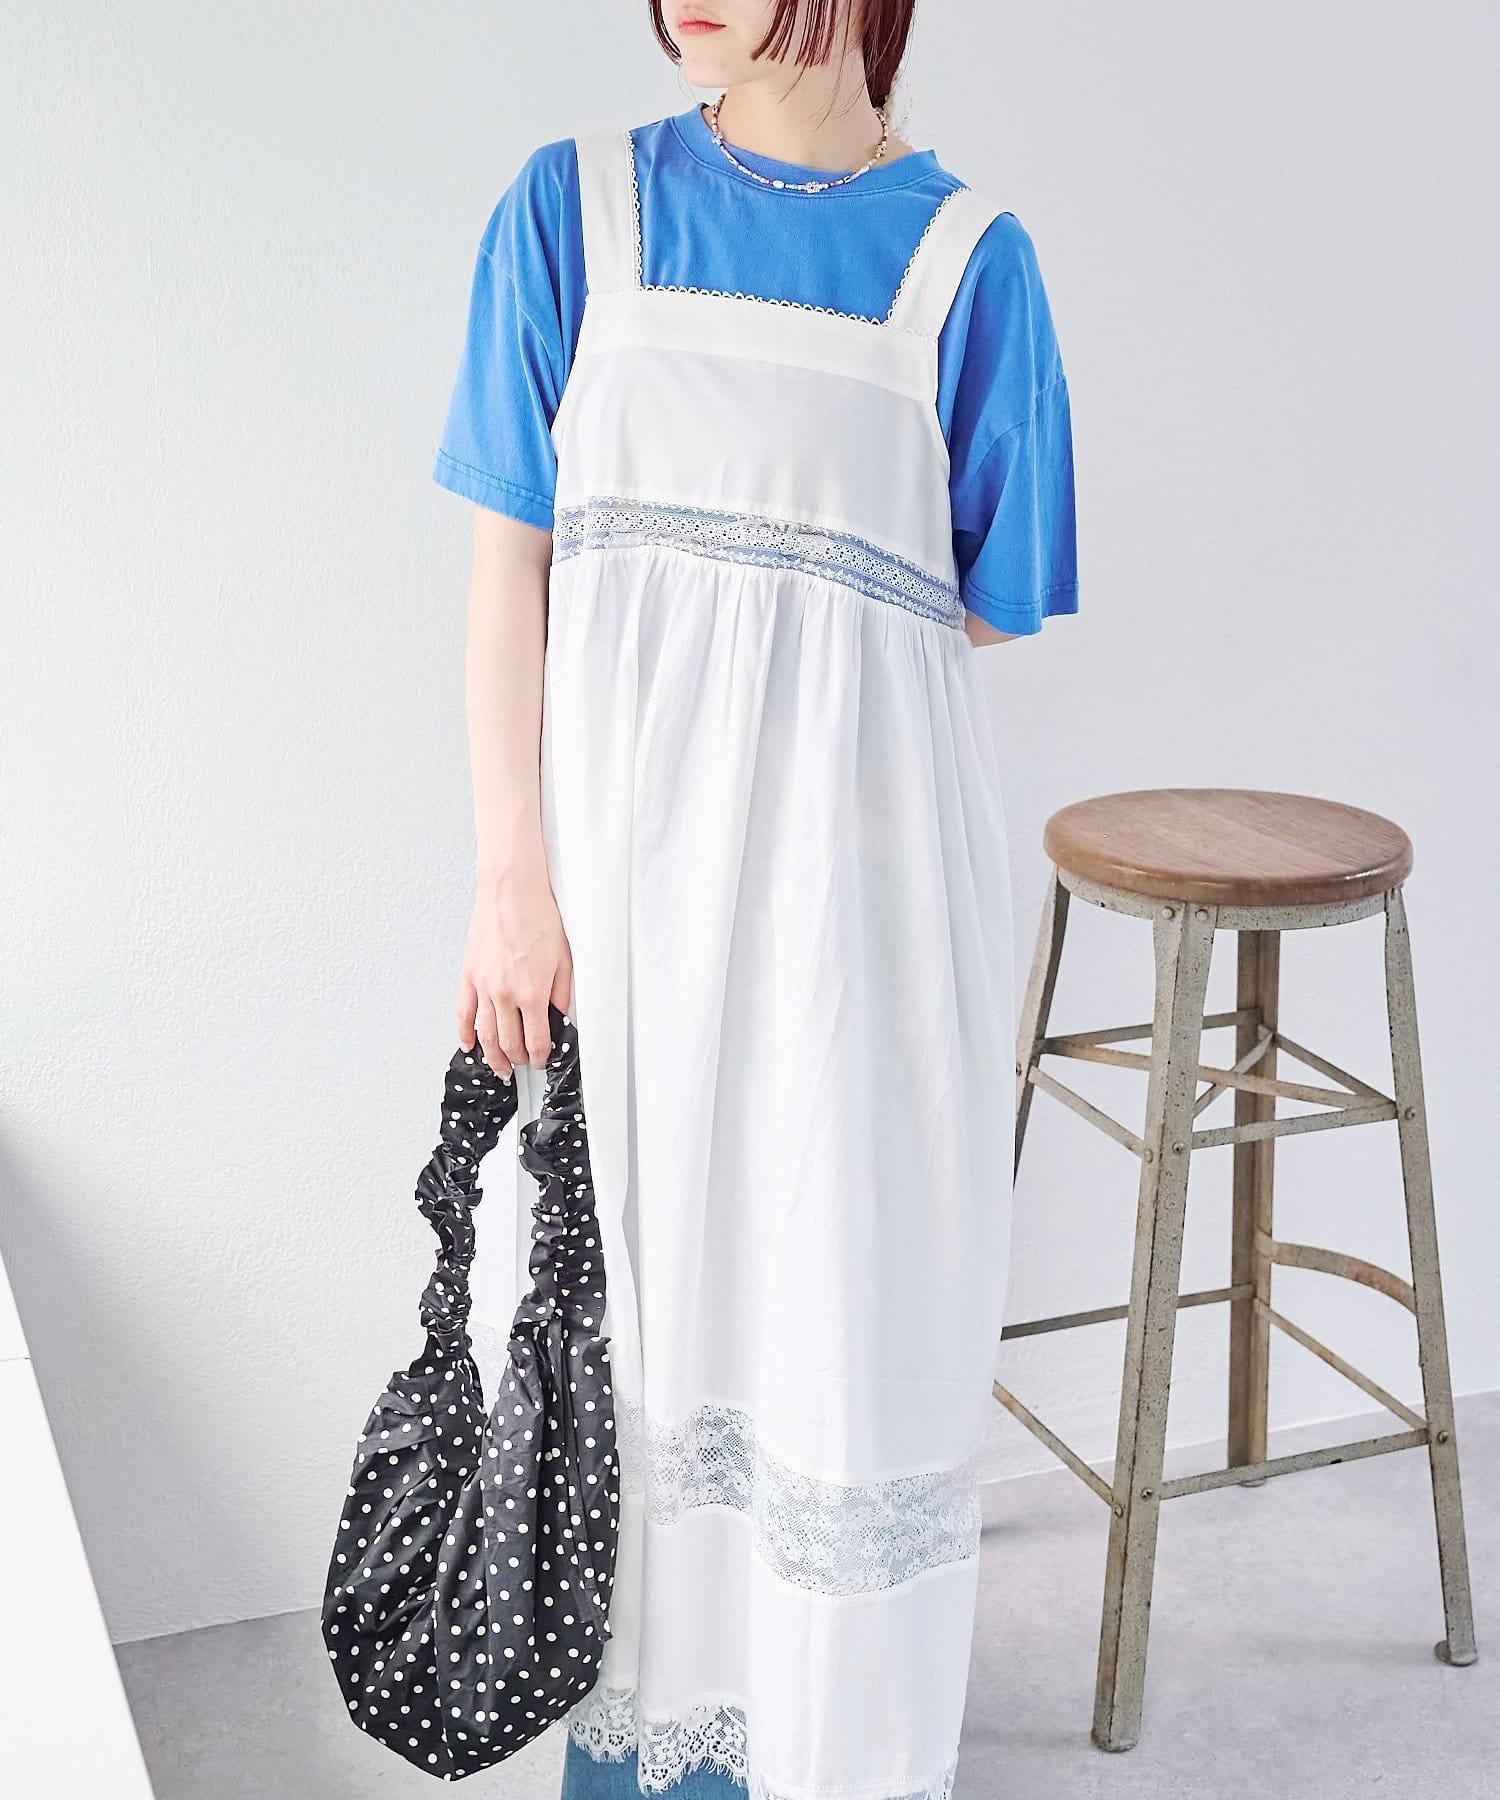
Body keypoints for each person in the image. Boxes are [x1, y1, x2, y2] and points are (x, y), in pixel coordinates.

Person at [433, 3, 1077, 1794]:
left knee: (836, 1314)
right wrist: (510, 876)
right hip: (620, 916)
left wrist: (776, 678)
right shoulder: (573, 210)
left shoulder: (971, 263)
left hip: (859, 923)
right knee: (631, 1331)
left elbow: (977, 608)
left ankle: (822, 1754)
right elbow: (506, 566)